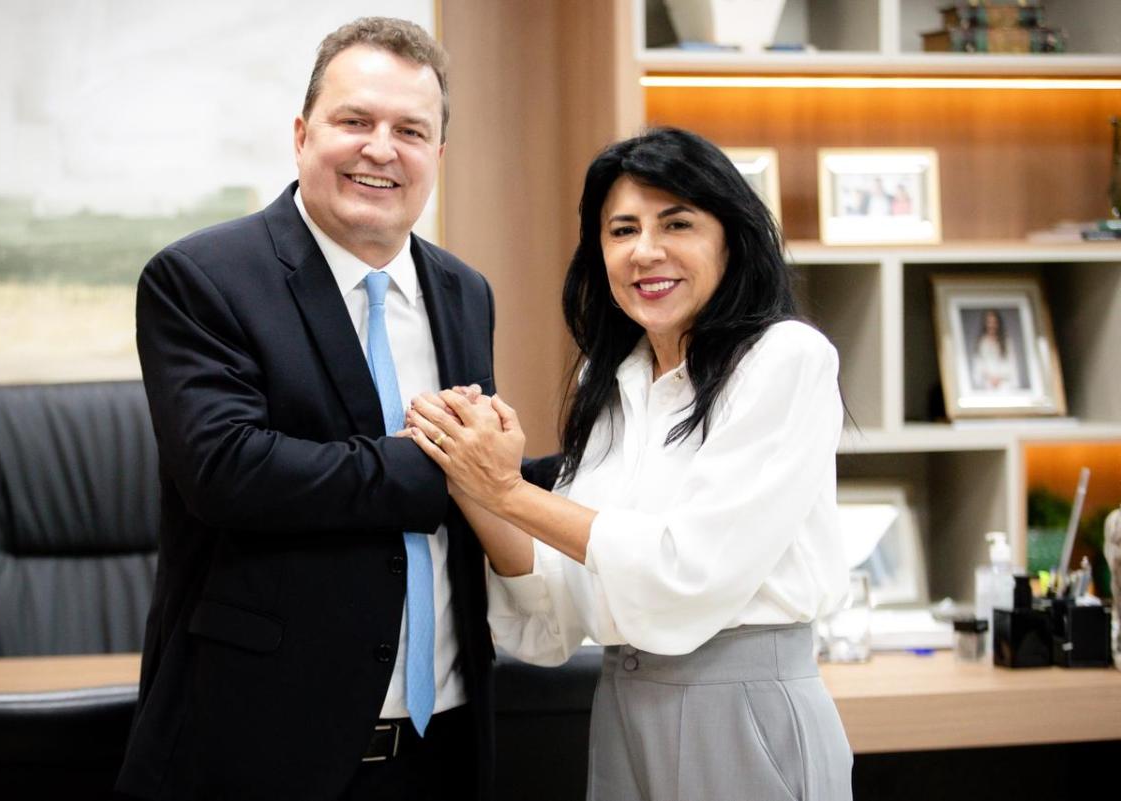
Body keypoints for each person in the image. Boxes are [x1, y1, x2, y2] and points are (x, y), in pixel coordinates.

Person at [407, 127, 854, 800]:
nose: (646, 251)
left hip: (744, 708)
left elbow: (686, 570)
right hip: (622, 703)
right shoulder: (612, 379)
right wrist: (470, 477)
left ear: (731, 238)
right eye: (622, 230)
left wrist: (507, 490)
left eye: (677, 223)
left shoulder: (785, 357)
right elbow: (554, 611)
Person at [116, 17, 497, 801]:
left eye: (410, 131)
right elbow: (228, 471)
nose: (381, 149)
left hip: (443, 746)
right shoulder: (202, 278)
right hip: (263, 751)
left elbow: (482, 484)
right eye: (355, 121)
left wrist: (530, 474)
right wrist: (439, 471)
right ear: (301, 135)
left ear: (437, 156)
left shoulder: (465, 292)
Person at [969, 308, 1020, 392]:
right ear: (985, 323)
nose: (991, 325)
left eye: (994, 322)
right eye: (989, 322)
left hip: (1005, 384)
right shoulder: (981, 342)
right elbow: (978, 364)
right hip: (986, 384)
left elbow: (1011, 362)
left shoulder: (1006, 341)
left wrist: (999, 378)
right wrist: (990, 378)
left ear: (998, 323)